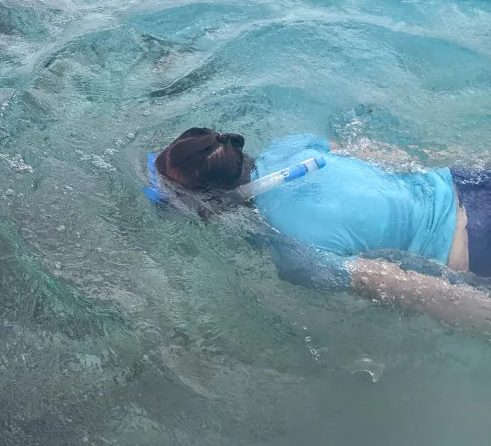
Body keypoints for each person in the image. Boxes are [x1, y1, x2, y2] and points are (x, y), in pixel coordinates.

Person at [144, 127, 491, 330]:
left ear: (211, 207)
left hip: (473, 243)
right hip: (466, 181)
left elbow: (417, 290)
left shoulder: (295, 255)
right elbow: (388, 157)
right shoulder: (290, 145)